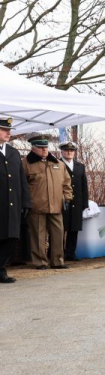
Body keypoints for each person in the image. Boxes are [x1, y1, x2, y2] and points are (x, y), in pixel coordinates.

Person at [22, 136, 73, 270]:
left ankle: (57, 261)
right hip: (36, 206)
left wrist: (67, 198)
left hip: (56, 206)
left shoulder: (58, 163)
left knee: (58, 234)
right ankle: (40, 262)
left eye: (46, 147)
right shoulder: (26, 163)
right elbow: (22, 185)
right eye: (41, 147)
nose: (44, 150)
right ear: (33, 148)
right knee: (38, 236)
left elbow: (66, 182)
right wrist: (26, 202)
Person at [0, 118, 31, 283]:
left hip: (12, 204)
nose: (8, 132)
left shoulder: (13, 152)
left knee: (10, 237)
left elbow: (21, 180)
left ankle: (1, 270)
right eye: (4, 129)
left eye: (9, 130)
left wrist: (26, 202)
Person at [60, 142, 89, 262]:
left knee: (74, 229)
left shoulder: (79, 166)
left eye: (71, 151)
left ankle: (71, 253)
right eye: (66, 150)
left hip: (76, 202)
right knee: (60, 229)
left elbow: (84, 186)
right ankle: (57, 253)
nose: (69, 152)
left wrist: (84, 204)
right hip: (62, 201)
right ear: (61, 151)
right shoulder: (57, 164)